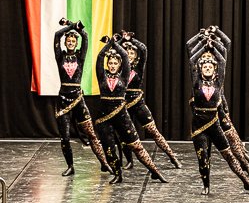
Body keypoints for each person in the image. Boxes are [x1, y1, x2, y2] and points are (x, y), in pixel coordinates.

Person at [186, 29, 249, 195]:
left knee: (229, 156)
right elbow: (192, 59)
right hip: (198, 127)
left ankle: (246, 181)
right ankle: (206, 186)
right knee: (203, 158)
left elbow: (222, 59)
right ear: (200, 69)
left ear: (215, 69)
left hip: (214, 124)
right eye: (205, 66)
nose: (207, 68)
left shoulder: (218, 82)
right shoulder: (196, 83)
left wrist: (213, 44)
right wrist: (202, 42)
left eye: (210, 66)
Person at [94, 34, 167, 185]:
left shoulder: (124, 76)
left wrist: (116, 44)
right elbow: (100, 57)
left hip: (121, 116)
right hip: (104, 117)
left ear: (120, 65)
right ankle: (117, 174)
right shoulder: (102, 76)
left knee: (136, 146)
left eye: (115, 63)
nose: (112, 65)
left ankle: (155, 171)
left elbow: (125, 57)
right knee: (109, 148)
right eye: (110, 63)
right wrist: (109, 44)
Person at [52, 19, 109, 176]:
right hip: (63, 100)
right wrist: (71, 26)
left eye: (73, 41)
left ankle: (104, 163)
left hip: (78, 98)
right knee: (65, 137)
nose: (71, 43)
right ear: (65, 43)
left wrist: (75, 27)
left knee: (91, 133)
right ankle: (70, 166)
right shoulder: (60, 56)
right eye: (68, 41)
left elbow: (85, 36)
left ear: (76, 43)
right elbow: (57, 35)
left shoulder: (80, 56)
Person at [119, 31, 181, 170]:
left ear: (136, 56)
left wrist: (131, 40)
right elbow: (115, 49)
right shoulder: (120, 68)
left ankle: (173, 157)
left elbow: (144, 49)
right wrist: (122, 41)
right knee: (124, 134)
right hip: (123, 104)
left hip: (138, 102)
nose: (129, 55)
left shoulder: (139, 67)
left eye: (132, 53)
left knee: (153, 131)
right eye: (127, 52)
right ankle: (129, 160)